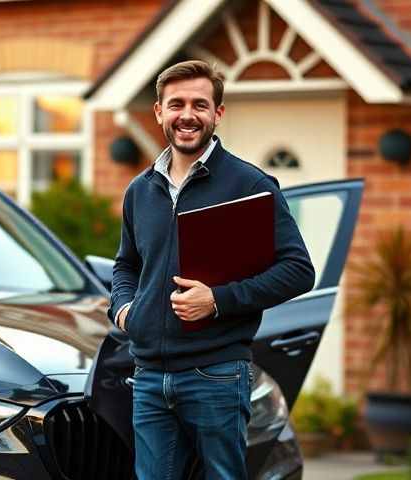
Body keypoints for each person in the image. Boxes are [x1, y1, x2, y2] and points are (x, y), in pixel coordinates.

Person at [108, 60, 315, 480]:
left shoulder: (250, 186)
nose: (188, 115)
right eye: (177, 104)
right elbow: (126, 264)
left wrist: (217, 301)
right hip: (149, 375)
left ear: (217, 113)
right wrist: (125, 310)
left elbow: (297, 269)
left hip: (216, 374)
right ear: (159, 112)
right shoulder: (139, 190)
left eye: (200, 105)